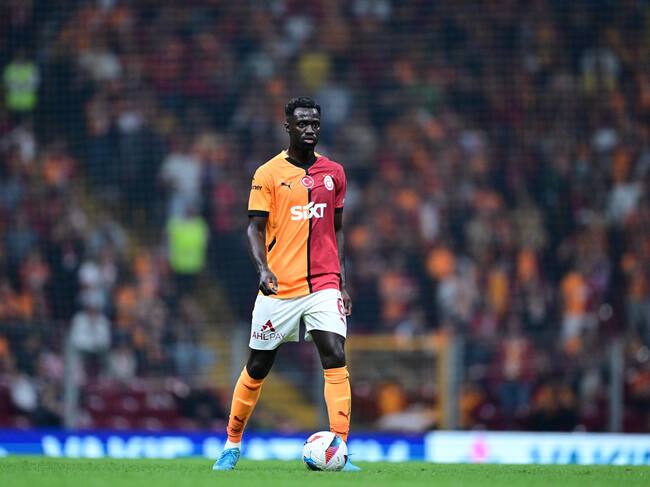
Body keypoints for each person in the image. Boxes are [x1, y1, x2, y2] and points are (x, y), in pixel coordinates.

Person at [213, 97, 360, 471]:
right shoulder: (268, 174)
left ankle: (339, 447)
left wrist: (341, 281)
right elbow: (254, 228)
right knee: (258, 366)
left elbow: (338, 229)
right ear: (288, 127)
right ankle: (232, 444)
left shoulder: (334, 173)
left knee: (335, 355)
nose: (310, 129)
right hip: (280, 287)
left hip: (323, 284)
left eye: (315, 123)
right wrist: (262, 269)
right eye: (303, 123)